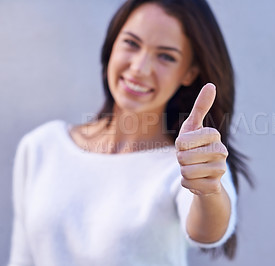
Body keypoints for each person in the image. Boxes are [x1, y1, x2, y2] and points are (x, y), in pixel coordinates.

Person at [8, 0, 252, 265]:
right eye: (131, 43)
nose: (139, 67)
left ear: (189, 72)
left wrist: (208, 191)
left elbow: (207, 232)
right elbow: (22, 257)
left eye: (166, 56)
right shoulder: (42, 147)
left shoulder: (190, 162)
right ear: (112, 44)